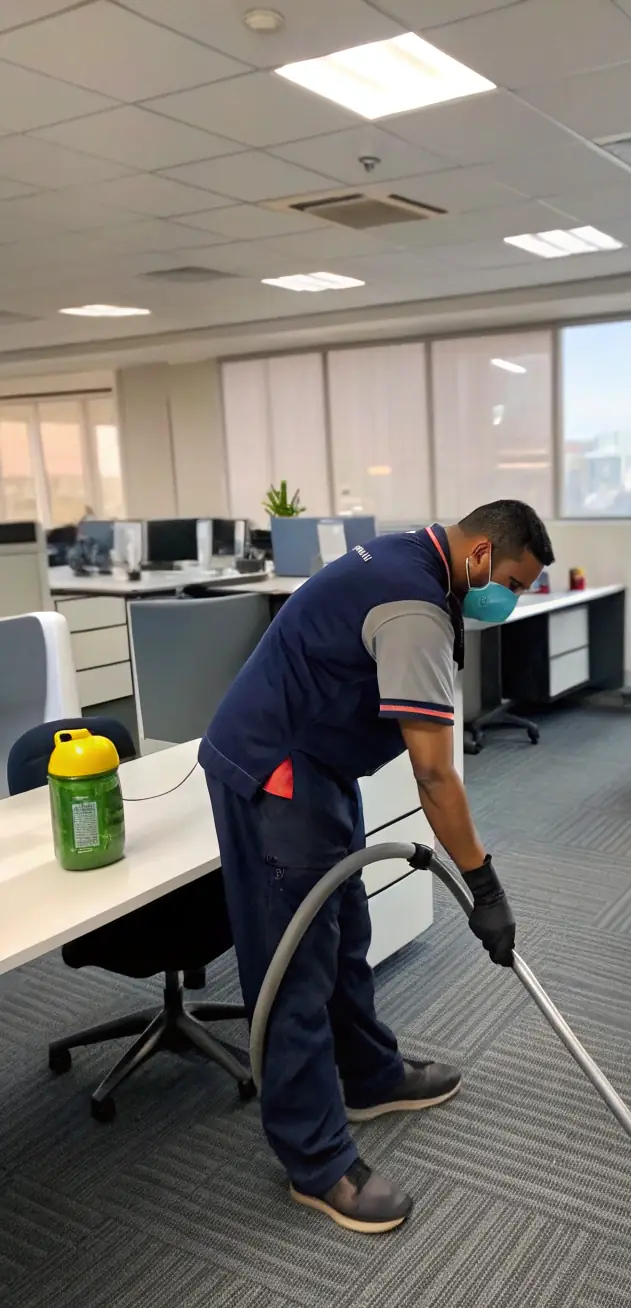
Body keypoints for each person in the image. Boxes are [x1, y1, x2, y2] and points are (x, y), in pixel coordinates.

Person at [199, 502, 554, 1233]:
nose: (509, 600)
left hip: (321, 761)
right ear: (482, 554)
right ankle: (317, 1160)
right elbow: (434, 774)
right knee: (295, 964)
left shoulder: (419, 557)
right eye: (513, 581)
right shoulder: (416, 604)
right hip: (276, 769)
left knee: (345, 930)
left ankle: (370, 1073)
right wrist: (484, 884)